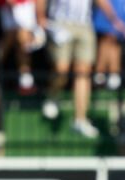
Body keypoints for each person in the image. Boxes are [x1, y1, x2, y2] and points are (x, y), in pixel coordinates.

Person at [42, 0, 103, 137]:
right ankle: (53, 96)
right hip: (59, 23)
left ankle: (80, 119)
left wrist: (115, 19)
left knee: (83, 74)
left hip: (85, 24)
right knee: (61, 69)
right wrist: (41, 18)